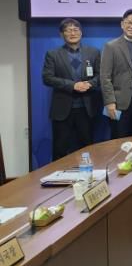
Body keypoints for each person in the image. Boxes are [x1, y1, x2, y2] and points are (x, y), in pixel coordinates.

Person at [42, 18, 101, 160]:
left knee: (87, 148)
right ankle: (57, 174)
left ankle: (87, 173)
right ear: (61, 34)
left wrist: (90, 84)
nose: (72, 33)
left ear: (81, 32)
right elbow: (47, 78)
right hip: (62, 110)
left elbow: (101, 75)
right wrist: (72, 85)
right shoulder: (53, 54)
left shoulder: (93, 52)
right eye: (68, 30)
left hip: (87, 109)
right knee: (60, 149)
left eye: (75, 30)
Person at [101, 9, 132, 139]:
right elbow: (105, 77)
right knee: (119, 140)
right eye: (129, 22)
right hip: (118, 103)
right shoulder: (111, 46)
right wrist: (109, 102)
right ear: (122, 24)